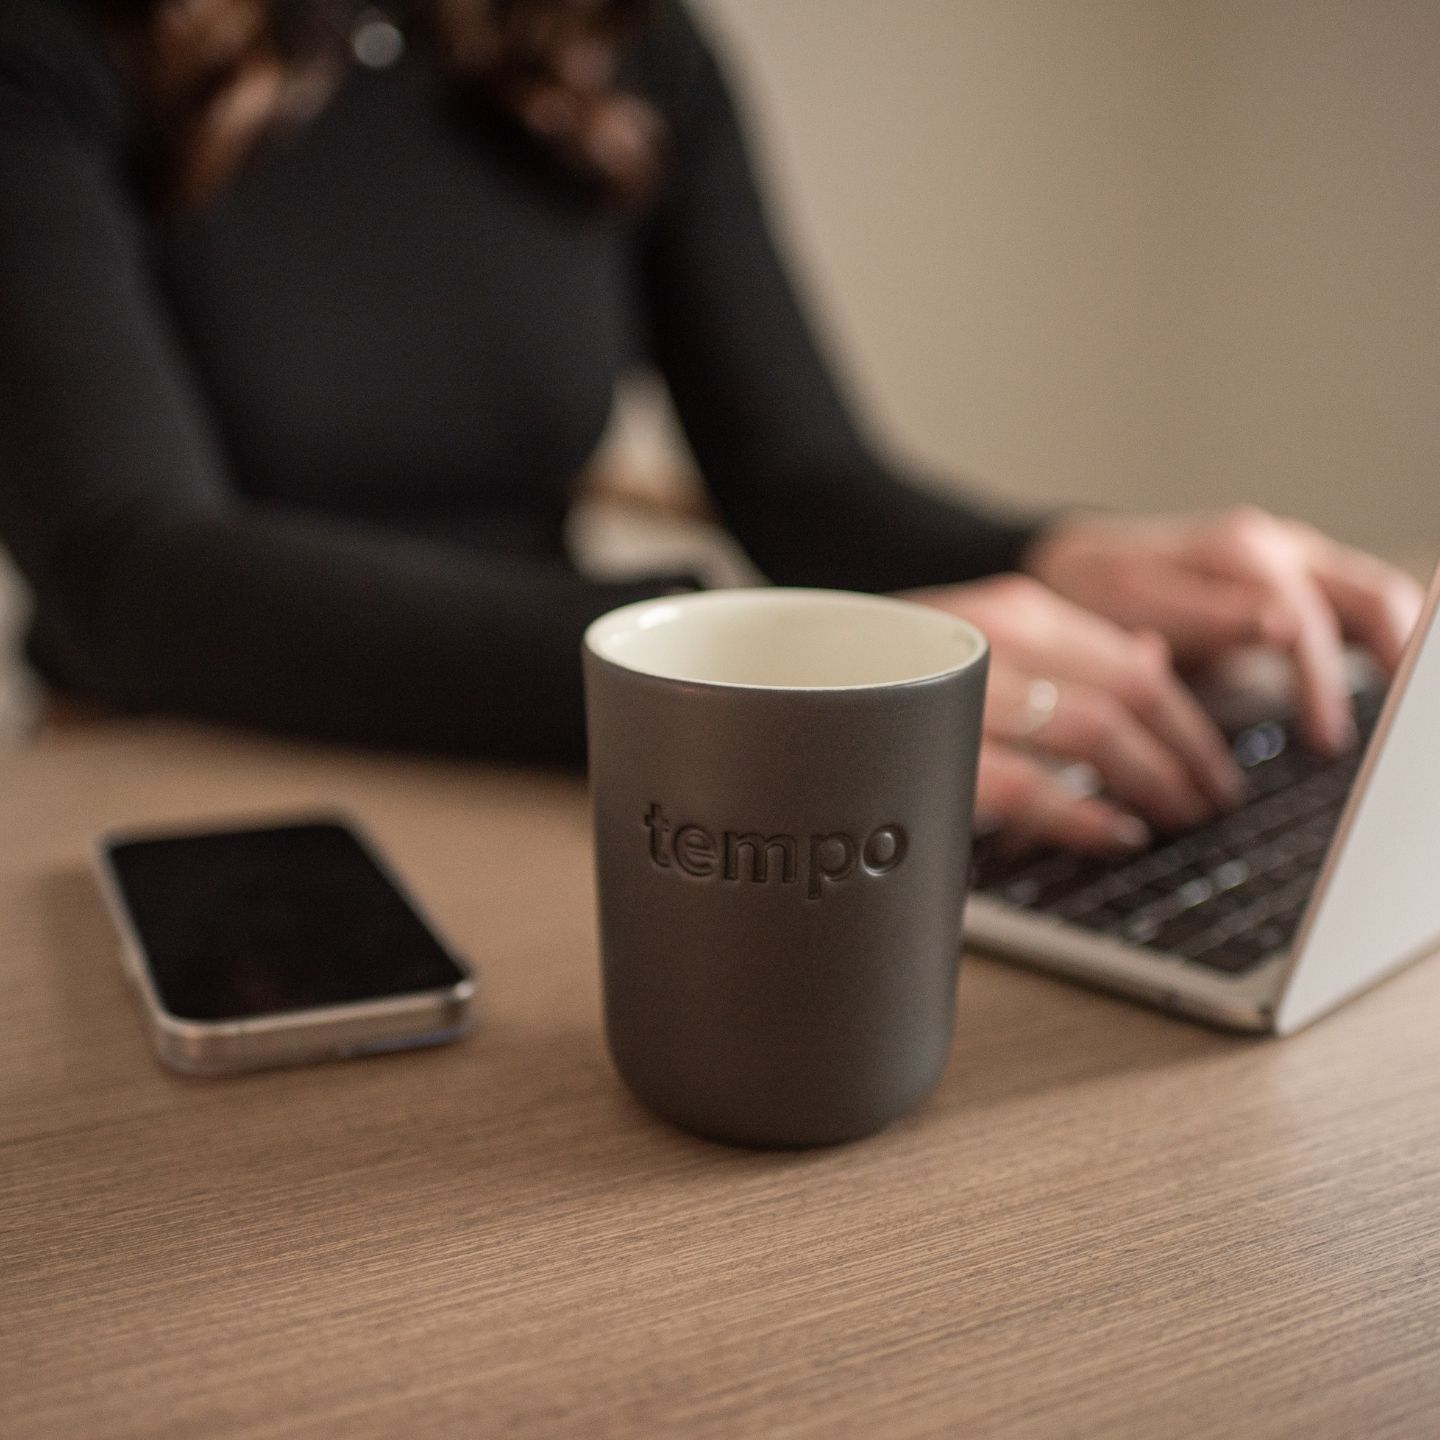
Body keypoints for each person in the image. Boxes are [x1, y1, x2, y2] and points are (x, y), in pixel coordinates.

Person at [0, 0, 1423, 854]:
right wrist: (724, 678)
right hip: (181, 789)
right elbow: (134, 571)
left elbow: (798, 478)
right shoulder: (52, 48)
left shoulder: (624, 41)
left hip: (551, 765)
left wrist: (1059, 556)